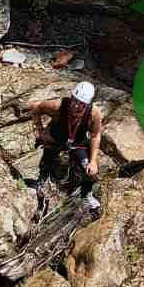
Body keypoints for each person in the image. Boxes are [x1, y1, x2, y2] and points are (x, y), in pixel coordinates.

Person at [30, 81, 104, 211]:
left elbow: (95, 135)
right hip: (56, 137)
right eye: (74, 100)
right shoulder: (57, 106)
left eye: (80, 103)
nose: (75, 105)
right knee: (47, 159)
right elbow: (36, 107)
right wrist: (40, 131)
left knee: (89, 171)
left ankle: (86, 194)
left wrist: (93, 161)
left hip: (77, 143)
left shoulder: (94, 114)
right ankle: (41, 181)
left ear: (87, 104)